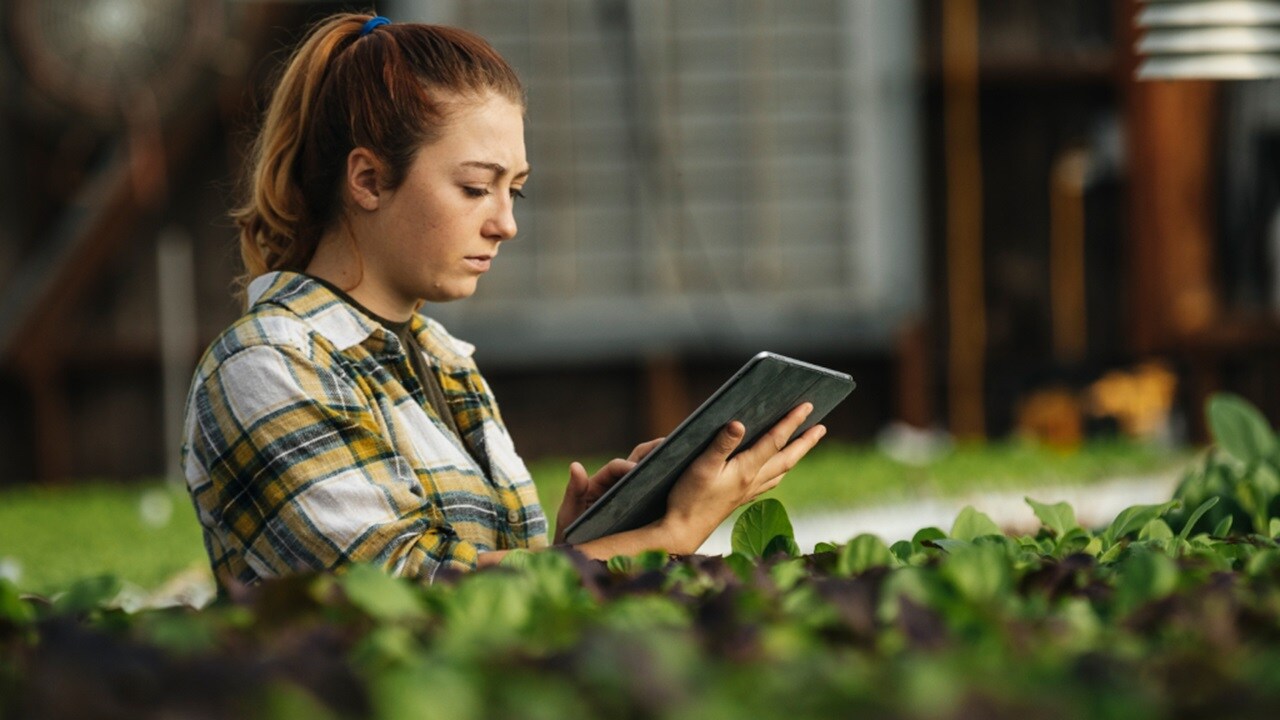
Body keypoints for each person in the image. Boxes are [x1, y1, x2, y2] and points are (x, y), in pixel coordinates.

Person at [181, 13, 827, 589]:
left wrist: (581, 542)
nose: (505, 224)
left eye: (513, 192)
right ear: (368, 180)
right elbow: (407, 594)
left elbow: (492, 597)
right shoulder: (265, 366)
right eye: (474, 188)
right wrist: (664, 540)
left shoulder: (442, 359)